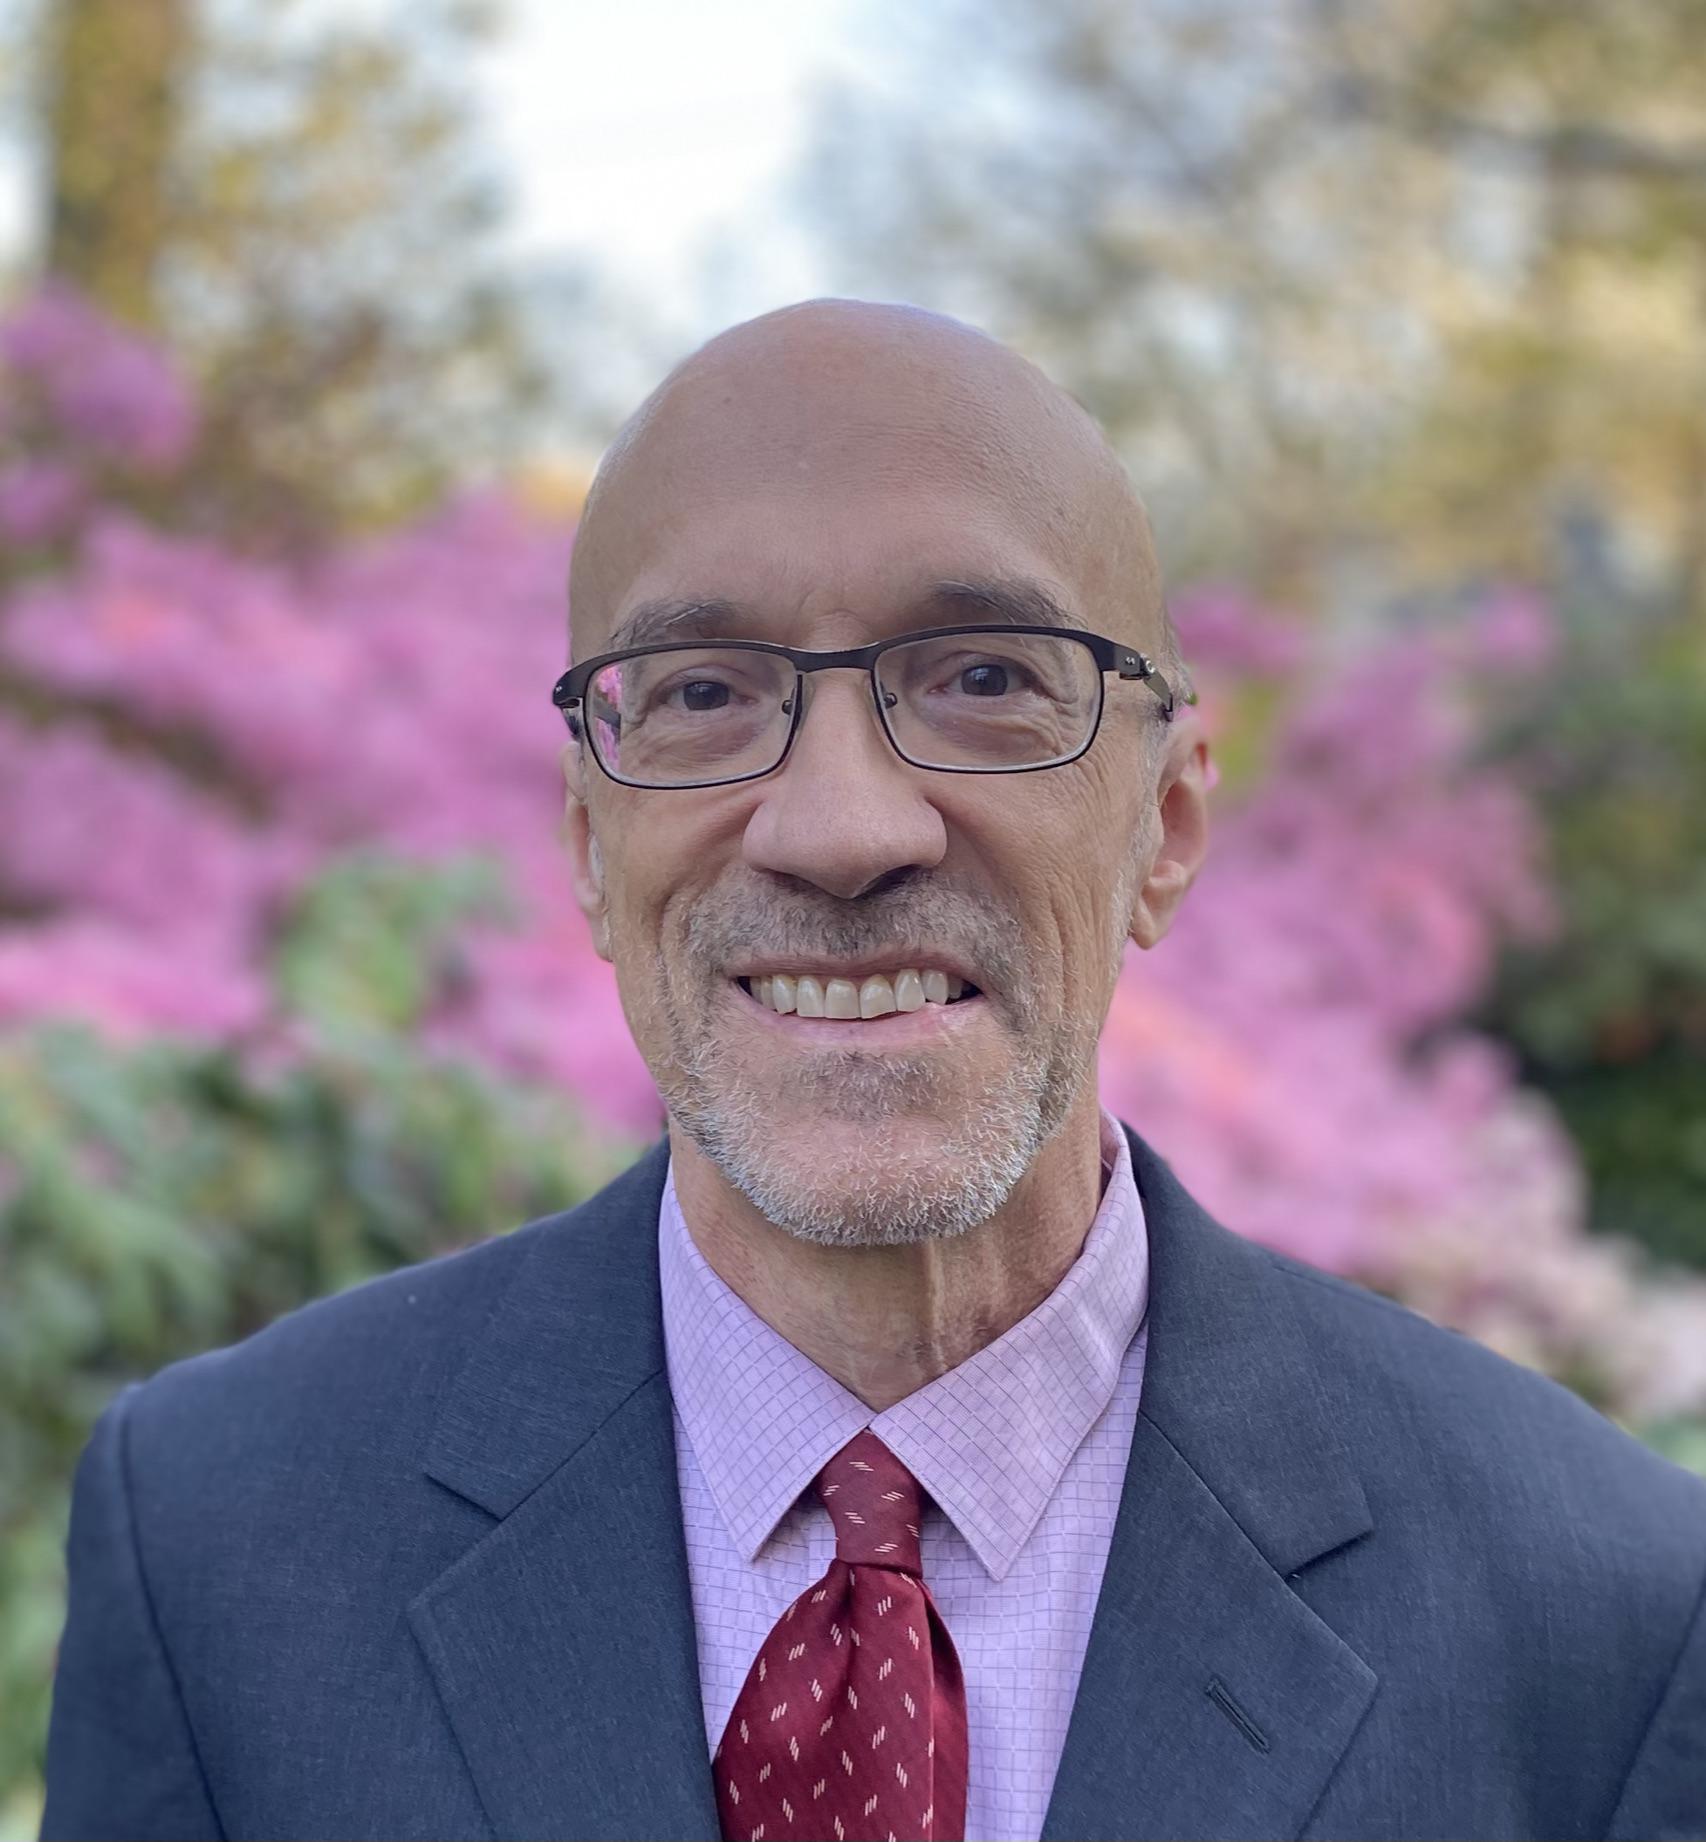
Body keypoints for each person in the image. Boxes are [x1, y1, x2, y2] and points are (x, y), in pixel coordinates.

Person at [39, 300, 1704, 1842]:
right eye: (702, 691)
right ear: (590, 849)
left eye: (982, 679)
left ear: (1167, 821)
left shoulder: (1605, 1617)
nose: (839, 828)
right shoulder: (220, 1544)